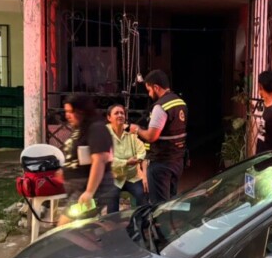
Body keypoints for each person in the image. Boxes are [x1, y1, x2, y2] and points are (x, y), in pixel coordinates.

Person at [129, 70, 188, 204]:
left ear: (156, 87)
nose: (149, 94)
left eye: (149, 90)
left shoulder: (160, 106)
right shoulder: (180, 102)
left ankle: (162, 219)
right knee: (171, 201)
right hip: (177, 161)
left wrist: (137, 129)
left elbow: (151, 136)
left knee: (159, 206)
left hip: (161, 163)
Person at [58, 95, 117, 225]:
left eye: (70, 112)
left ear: (81, 111)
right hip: (80, 190)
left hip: (94, 191)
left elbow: (99, 160)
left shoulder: (97, 128)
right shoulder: (80, 129)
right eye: (66, 111)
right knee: (82, 226)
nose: (67, 116)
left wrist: (89, 192)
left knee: (65, 225)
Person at [105, 104, 147, 213]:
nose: (120, 115)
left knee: (142, 193)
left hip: (132, 176)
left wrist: (144, 175)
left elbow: (142, 152)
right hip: (114, 178)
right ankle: (112, 222)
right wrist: (126, 162)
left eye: (122, 113)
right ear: (109, 118)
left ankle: (140, 220)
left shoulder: (131, 131)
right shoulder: (104, 134)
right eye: (116, 113)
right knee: (111, 196)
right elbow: (106, 159)